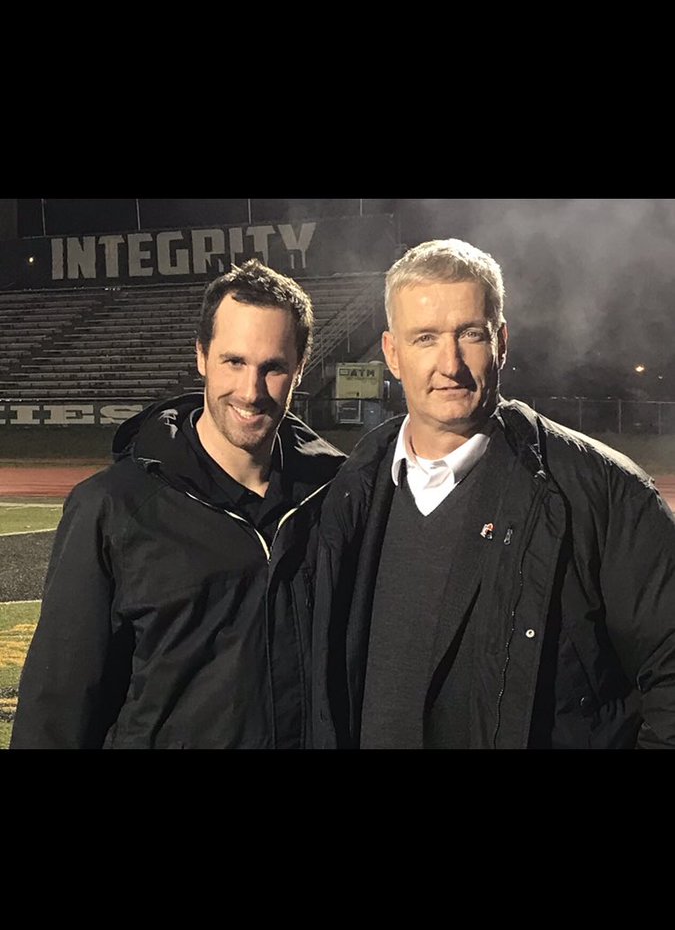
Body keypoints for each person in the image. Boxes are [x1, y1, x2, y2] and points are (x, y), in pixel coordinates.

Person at [311, 238, 675, 749]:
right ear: (392, 354)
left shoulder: (605, 493)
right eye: (425, 339)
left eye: (470, 335)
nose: (450, 363)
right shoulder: (348, 491)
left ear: (502, 342)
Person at [11, 259, 345, 749]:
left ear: (299, 371)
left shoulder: (334, 498)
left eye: (272, 367)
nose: (251, 392)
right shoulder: (113, 507)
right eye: (234, 361)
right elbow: (57, 708)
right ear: (201, 357)